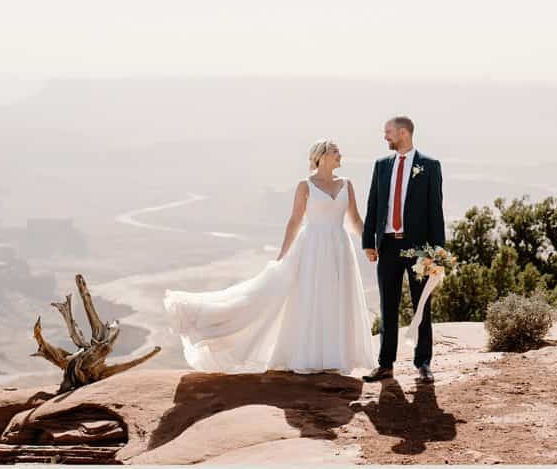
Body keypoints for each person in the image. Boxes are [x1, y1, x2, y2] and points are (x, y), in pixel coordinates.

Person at [163, 139, 377, 375]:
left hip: (340, 248)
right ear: (321, 156)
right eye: (336, 151)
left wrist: (369, 244)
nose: (340, 155)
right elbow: (295, 221)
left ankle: (334, 356)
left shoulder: (346, 184)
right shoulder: (305, 186)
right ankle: (310, 355)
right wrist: (283, 255)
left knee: (336, 298)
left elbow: (355, 219)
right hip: (312, 249)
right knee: (311, 298)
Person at [361, 115, 445, 385]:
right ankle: (385, 365)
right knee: (388, 306)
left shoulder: (429, 166)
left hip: (419, 249)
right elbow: (373, 203)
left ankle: (423, 364)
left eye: (388, 132)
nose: (385, 137)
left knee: (422, 305)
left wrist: (437, 253)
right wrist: (368, 241)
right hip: (387, 246)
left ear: (403, 133)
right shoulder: (381, 165)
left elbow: (435, 210)